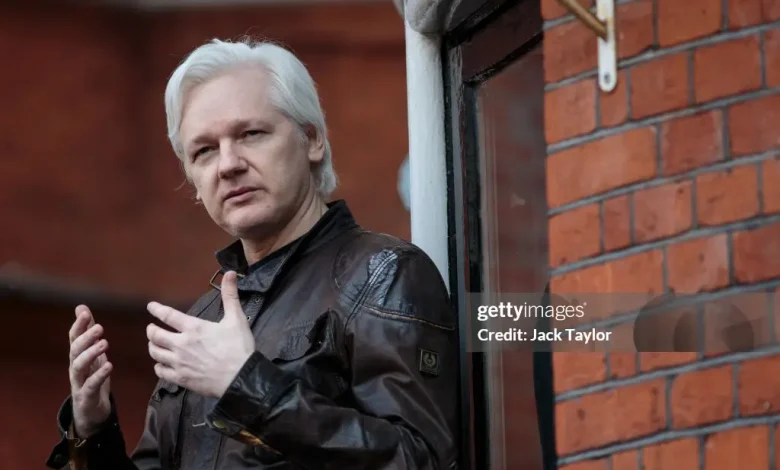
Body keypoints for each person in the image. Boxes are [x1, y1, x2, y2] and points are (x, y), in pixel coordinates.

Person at [46, 38, 459, 470]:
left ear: (312, 139)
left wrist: (245, 386)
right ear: (192, 177)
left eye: (251, 134)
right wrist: (92, 431)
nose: (228, 164)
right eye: (204, 150)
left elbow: (421, 460)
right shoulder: (205, 320)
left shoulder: (383, 274)